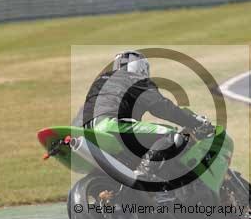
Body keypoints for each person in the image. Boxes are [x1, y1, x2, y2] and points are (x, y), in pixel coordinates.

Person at [80, 50, 212, 182]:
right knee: (169, 134)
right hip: (112, 125)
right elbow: (162, 107)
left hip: (88, 131)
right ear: (140, 67)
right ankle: (144, 174)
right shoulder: (135, 79)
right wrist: (193, 121)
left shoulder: (100, 81)